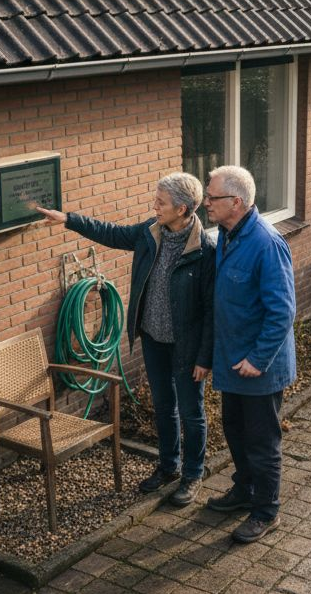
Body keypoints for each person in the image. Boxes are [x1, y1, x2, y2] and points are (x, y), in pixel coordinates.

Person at [35, 173, 215, 507]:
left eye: (161, 202)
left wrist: (205, 358)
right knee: (164, 406)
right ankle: (169, 466)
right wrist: (68, 219)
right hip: (153, 339)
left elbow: (211, 311)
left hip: (187, 348)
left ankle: (193, 475)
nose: (154, 206)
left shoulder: (205, 251)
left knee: (192, 412)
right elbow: (112, 233)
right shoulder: (150, 232)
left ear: (182, 209)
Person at [201, 165, 296, 544]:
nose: (206, 203)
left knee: (261, 442)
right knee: (235, 431)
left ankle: (266, 511)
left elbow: (282, 312)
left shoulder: (266, 243)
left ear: (236, 202)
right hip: (232, 361)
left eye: (212, 197)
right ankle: (244, 491)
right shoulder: (227, 235)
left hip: (259, 368)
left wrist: (258, 359)